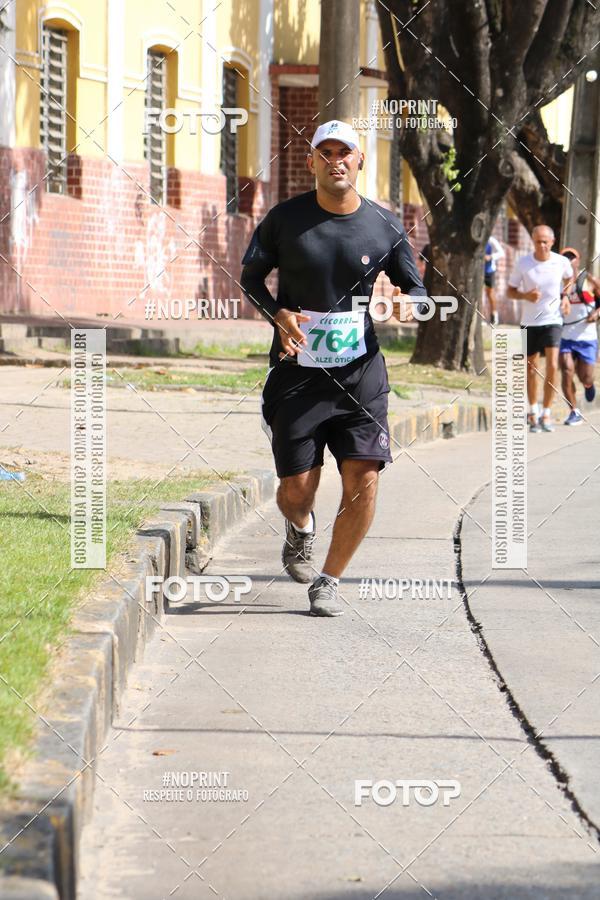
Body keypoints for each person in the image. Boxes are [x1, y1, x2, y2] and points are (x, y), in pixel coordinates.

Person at [240, 119, 427, 616]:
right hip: (297, 371)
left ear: (360, 161)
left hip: (360, 373)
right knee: (296, 490)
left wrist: (416, 302)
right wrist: (276, 313)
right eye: (325, 153)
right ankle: (300, 529)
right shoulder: (284, 219)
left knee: (363, 476)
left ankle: (329, 579)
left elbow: (416, 285)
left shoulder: (383, 224)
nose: (335, 160)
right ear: (312, 162)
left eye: (345, 152)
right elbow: (251, 277)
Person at [507, 225, 573, 433]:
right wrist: (525, 296)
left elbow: (570, 278)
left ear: (552, 242)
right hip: (529, 322)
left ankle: (546, 412)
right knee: (531, 368)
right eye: (538, 241)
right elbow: (510, 291)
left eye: (546, 241)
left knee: (553, 365)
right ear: (533, 241)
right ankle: (532, 410)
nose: (542, 245)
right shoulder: (523, 263)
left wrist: (565, 298)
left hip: (553, 320)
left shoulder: (561, 262)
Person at [559, 247, 600, 425]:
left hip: (587, 339)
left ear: (578, 260)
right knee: (566, 371)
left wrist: (597, 314)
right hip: (565, 337)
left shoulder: (588, 280)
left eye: (572, 257)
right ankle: (574, 411)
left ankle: (589, 385)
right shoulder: (557, 282)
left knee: (586, 377)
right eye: (565, 257)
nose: (568, 260)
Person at [484, 235, 505, 325]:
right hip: (478, 270)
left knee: (490, 293)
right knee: (477, 294)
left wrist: (490, 257)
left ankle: (494, 316)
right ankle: (480, 317)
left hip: (489, 271)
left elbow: (501, 252)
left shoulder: (491, 240)